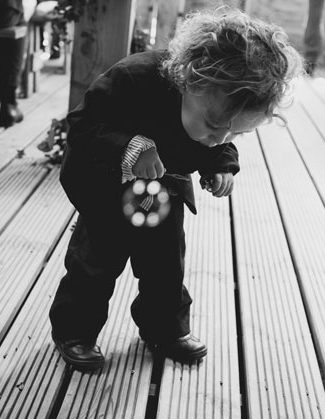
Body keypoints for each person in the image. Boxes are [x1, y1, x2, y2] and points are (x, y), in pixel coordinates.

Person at [49, 7, 304, 371]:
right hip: (106, 189)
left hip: (161, 193)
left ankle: (165, 328)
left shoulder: (216, 116)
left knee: (165, 266)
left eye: (237, 133)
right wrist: (132, 146)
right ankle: (75, 331)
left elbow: (217, 141)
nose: (221, 139)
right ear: (190, 80)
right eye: (216, 126)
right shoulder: (133, 78)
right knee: (94, 265)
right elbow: (83, 125)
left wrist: (220, 164)